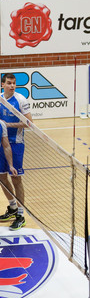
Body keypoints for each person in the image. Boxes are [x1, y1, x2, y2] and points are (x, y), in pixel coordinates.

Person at [0, 73, 33, 231]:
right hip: (2, 143)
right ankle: (12, 208)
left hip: (16, 144)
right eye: (9, 83)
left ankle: (20, 215)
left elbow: (29, 123)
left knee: (16, 179)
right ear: (3, 84)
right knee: (1, 177)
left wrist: (7, 125)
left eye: (13, 83)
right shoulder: (0, 99)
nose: (12, 86)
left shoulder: (20, 100)